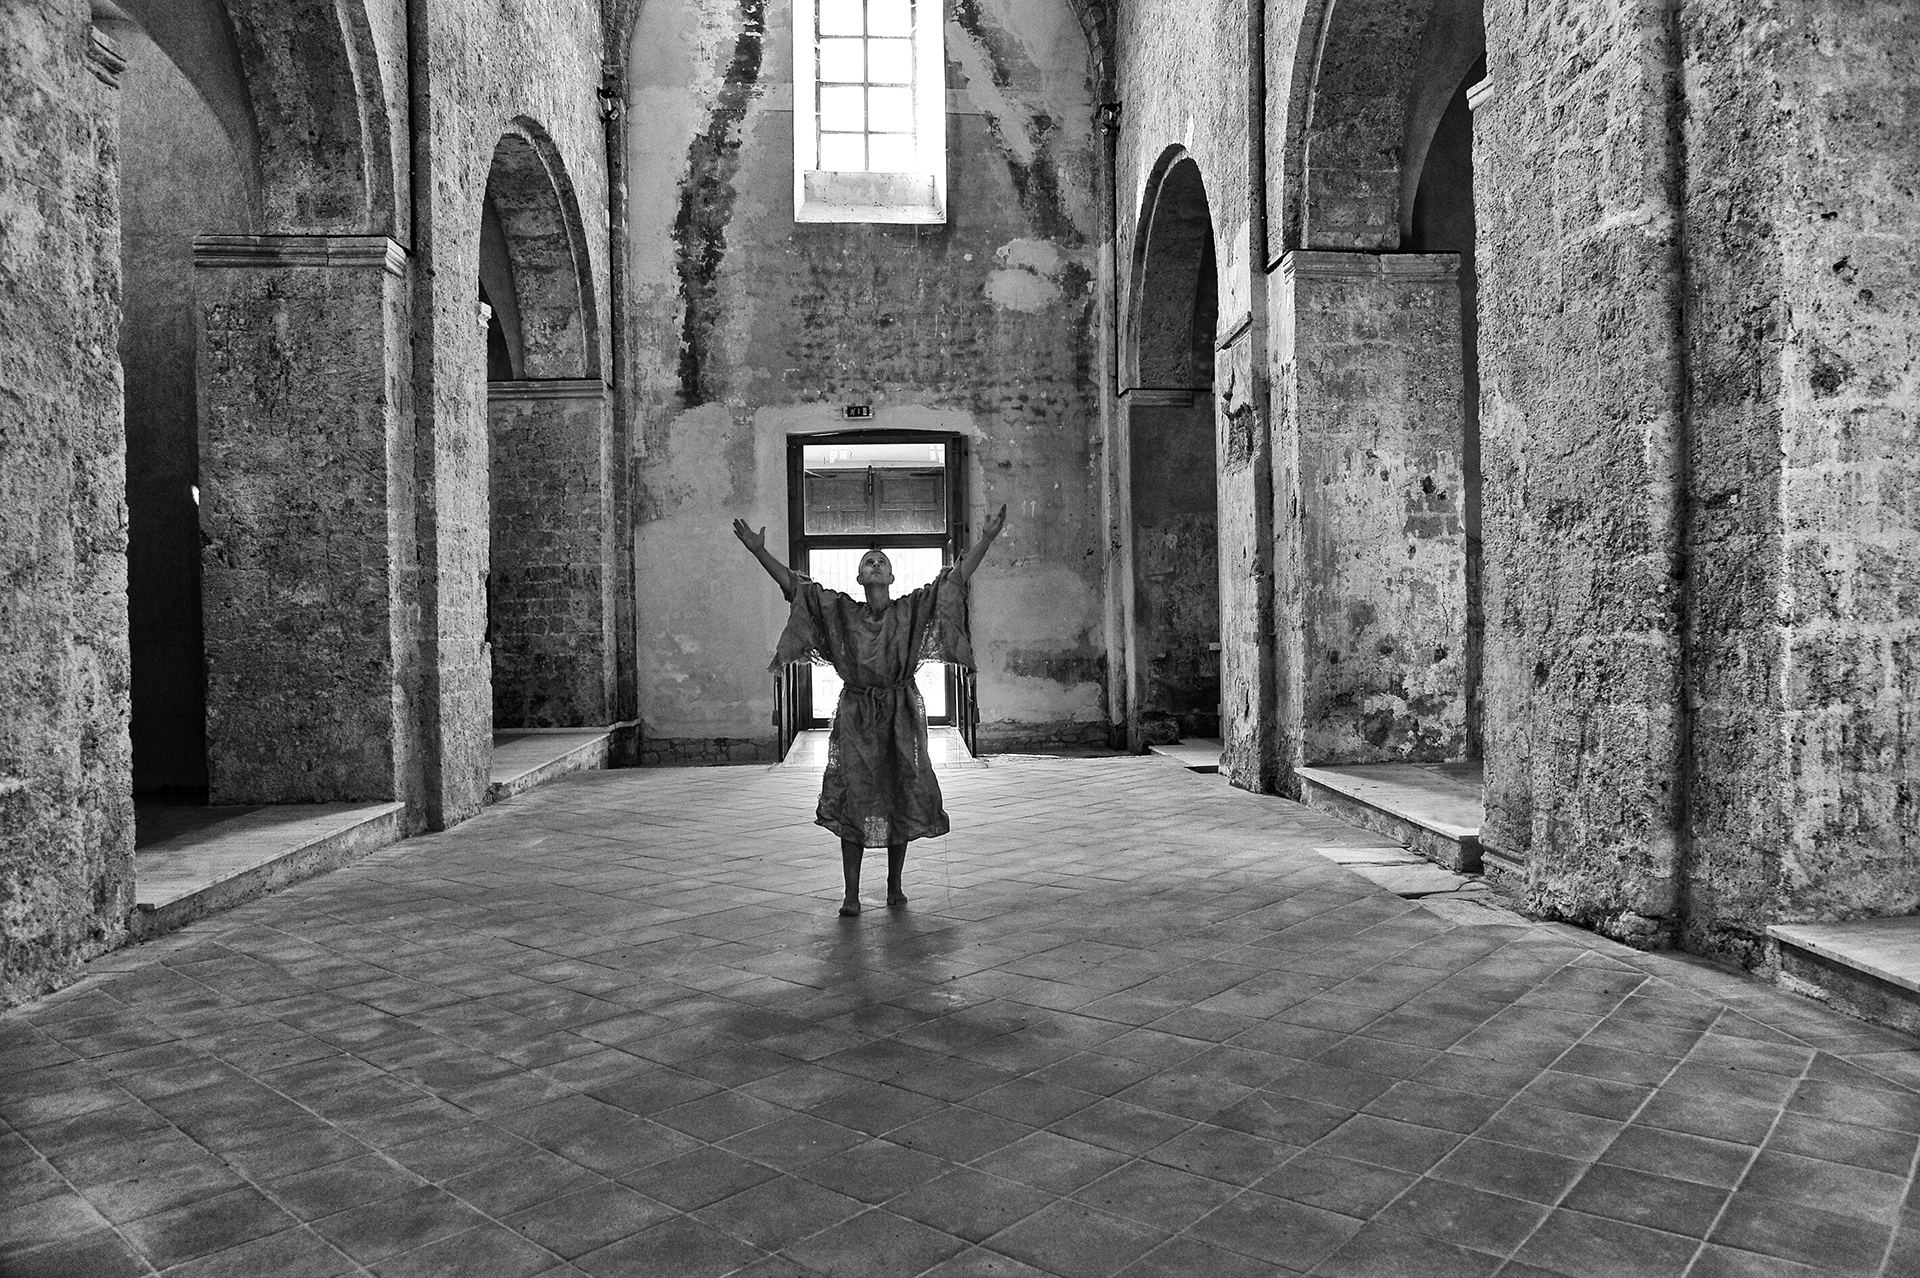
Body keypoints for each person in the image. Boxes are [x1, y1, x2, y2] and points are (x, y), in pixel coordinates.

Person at [733, 505, 1007, 916]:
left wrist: (985, 539)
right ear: (860, 577)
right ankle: (851, 893)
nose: (875, 564)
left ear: (892, 577)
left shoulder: (910, 610)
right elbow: (797, 589)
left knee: (901, 791)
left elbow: (954, 580)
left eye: (881, 562)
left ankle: (895, 884)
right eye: (868, 562)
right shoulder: (842, 612)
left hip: (901, 712)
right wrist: (758, 551)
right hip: (856, 715)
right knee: (854, 797)